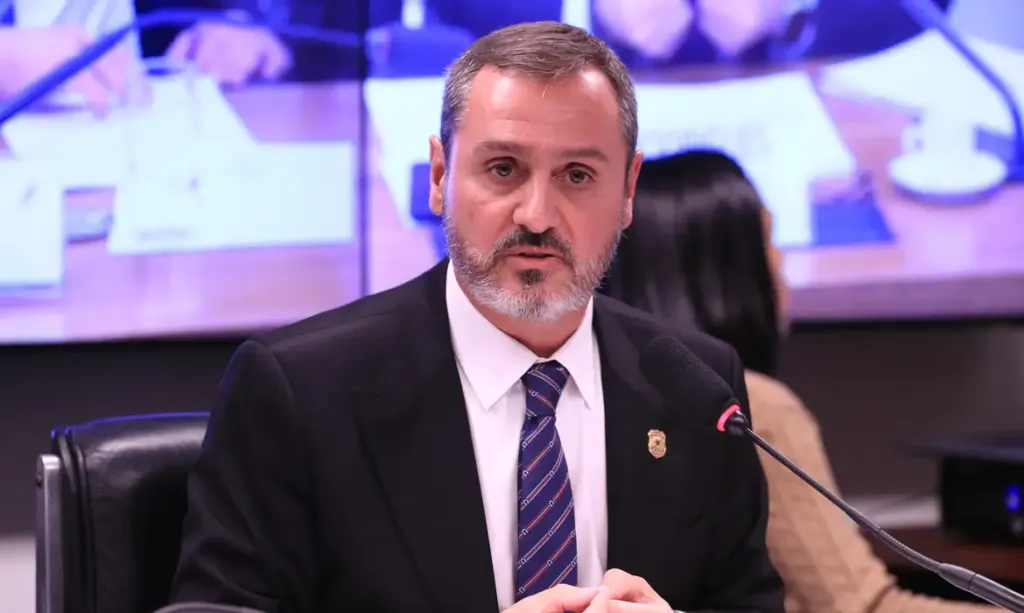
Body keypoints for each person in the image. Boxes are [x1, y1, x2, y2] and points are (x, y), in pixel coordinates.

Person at [169, 21, 784, 613]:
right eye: (503, 169)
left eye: (577, 175)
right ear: (440, 176)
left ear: (627, 191)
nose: (536, 215)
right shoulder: (300, 392)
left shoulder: (698, 387)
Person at [601, 149, 999, 613]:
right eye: (767, 239)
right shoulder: (748, 407)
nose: (781, 260)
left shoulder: (610, 394)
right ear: (721, 271)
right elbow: (860, 607)